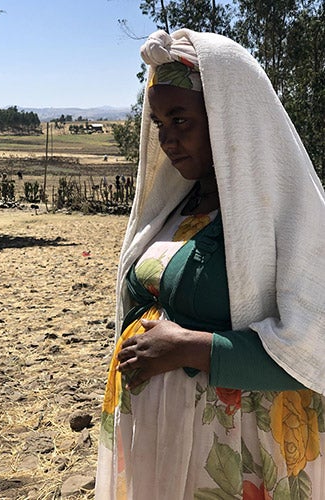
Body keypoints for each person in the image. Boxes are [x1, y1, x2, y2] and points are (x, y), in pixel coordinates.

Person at [95, 29, 325, 500]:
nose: (168, 140)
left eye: (181, 120)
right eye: (159, 123)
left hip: (237, 455)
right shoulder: (177, 208)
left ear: (229, 120)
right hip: (160, 447)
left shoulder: (290, 218)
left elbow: (314, 349)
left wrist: (191, 348)